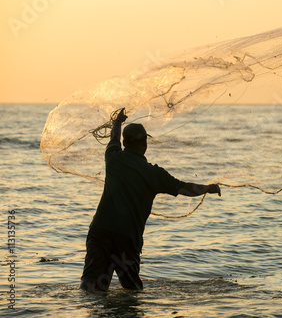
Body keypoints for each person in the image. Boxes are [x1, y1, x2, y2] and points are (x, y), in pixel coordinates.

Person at [80, 108, 220, 291]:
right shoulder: (154, 174)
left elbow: (113, 137)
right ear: (144, 144)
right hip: (127, 238)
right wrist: (208, 188)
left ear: (125, 142)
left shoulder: (112, 157)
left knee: (91, 286)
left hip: (100, 232)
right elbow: (184, 188)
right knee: (131, 289)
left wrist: (118, 122)